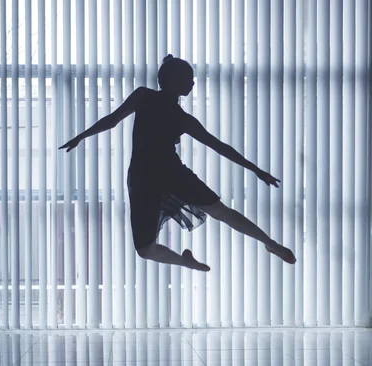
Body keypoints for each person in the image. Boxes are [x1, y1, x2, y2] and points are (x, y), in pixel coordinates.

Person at [60, 55, 296, 271]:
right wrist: (81, 136)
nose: (193, 84)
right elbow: (220, 147)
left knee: (150, 247)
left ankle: (267, 244)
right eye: (189, 79)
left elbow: (113, 120)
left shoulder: (153, 102)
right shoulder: (168, 110)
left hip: (150, 176)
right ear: (173, 80)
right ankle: (260, 245)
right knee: (214, 215)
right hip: (158, 177)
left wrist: (256, 170)